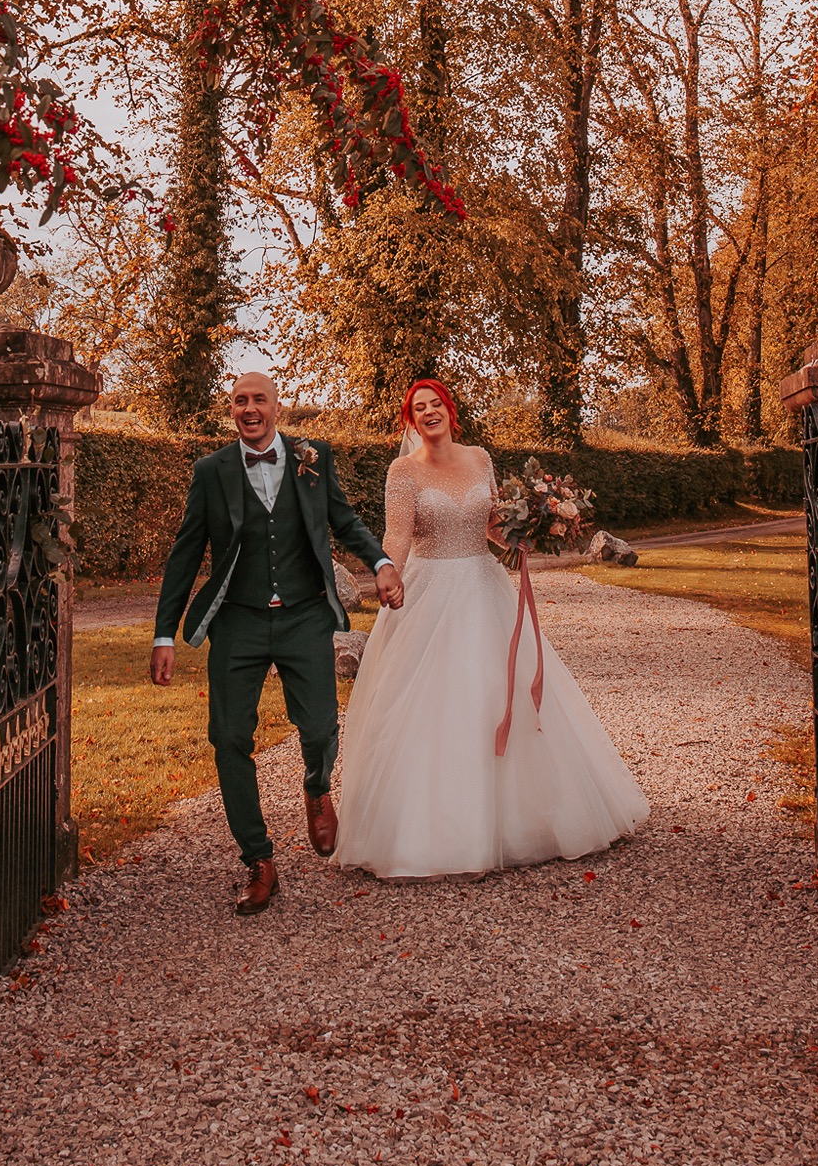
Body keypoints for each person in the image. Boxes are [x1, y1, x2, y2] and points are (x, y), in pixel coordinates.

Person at [334, 378, 649, 878]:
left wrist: (528, 531)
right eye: (419, 408)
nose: (430, 412)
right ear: (409, 421)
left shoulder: (480, 459)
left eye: (436, 403)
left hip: (483, 584)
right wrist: (386, 573)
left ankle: (520, 823)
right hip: (430, 590)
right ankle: (434, 832)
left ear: (449, 410)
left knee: (497, 689)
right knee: (435, 702)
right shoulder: (402, 471)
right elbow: (397, 536)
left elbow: (490, 524)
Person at [150, 372, 404, 914]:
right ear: (232, 411)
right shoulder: (211, 471)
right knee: (229, 738)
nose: (249, 408)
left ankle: (316, 786)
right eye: (239, 401)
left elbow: (343, 518)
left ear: (277, 408)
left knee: (319, 726)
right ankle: (259, 860)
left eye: (258, 399)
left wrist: (380, 562)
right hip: (237, 623)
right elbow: (186, 553)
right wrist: (164, 633)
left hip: (304, 616)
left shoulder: (315, 458)